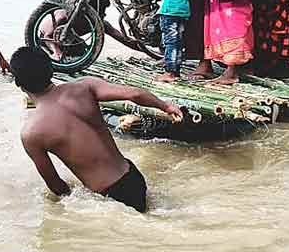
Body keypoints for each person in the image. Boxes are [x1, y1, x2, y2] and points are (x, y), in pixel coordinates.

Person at [11, 46, 183, 213]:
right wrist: (166, 106)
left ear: (19, 83)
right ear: (51, 69)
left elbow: (56, 185)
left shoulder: (31, 133)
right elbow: (134, 94)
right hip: (132, 175)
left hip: (111, 196)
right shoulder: (84, 87)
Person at [36, 0, 137, 60]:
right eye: (101, 13)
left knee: (81, 49)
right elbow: (47, 36)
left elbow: (123, 39)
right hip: (46, 41)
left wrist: (145, 49)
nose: (104, 15)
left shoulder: (100, 24)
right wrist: (56, 52)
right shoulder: (64, 16)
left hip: (67, 44)